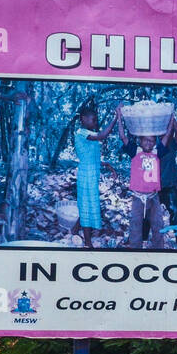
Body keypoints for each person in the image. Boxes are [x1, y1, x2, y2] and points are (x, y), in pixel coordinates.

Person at [53, 100, 119, 248]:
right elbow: (102, 136)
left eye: (96, 120)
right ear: (83, 119)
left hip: (92, 173)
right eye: (93, 119)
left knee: (86, 205)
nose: (95, 122)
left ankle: (75, 232)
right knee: (87, 206)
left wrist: (107, 165)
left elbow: (91, 156)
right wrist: (115, 118)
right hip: (86, 175)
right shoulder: (81, 132)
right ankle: (88, 243)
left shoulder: (90, 134)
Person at [120, 112, 177, 250]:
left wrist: (171, 118)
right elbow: (122, 136)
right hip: (138, 197)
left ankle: (159, 250)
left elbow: (169, 134)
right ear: (140, 140)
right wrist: (118, 116)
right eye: (145, 140)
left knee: (158, 225)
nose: (148, 143)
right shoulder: (135, 151)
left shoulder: (157, 152)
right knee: (136, 224)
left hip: (153, 197)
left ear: (155, 142)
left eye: (151, 141)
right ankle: (135, 250)